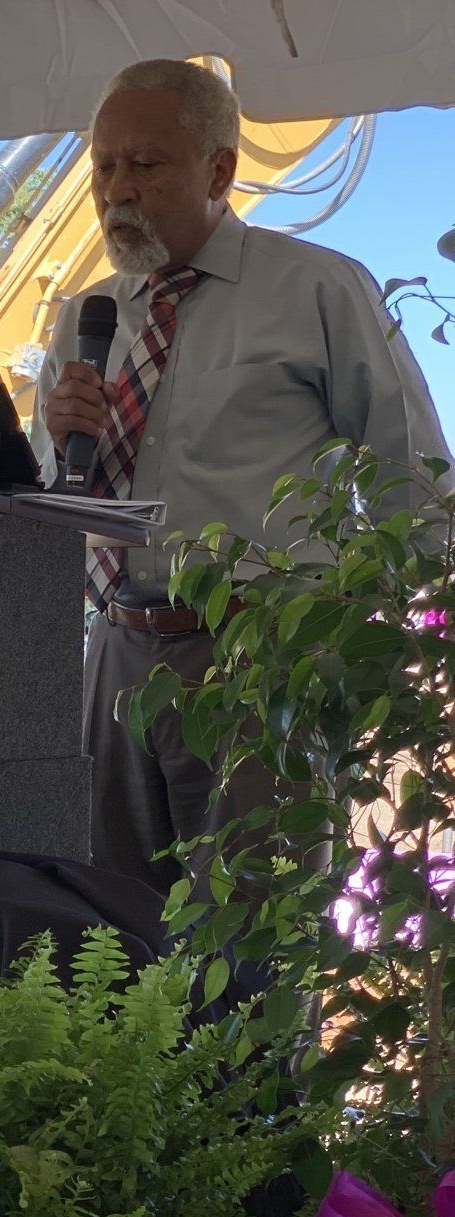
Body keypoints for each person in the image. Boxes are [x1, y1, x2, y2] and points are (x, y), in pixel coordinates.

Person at [34, 58, 448, 895]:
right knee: (105, 941)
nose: (117, 190)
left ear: (219, 169)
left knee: (258, 943)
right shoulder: (85, 318)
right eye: (103, 167)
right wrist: (58, 443)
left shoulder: (318, 289)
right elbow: (53, 505)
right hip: (112, 650)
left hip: (260, 659)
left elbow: (414, 473)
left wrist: (399, 655)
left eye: (144, 165)